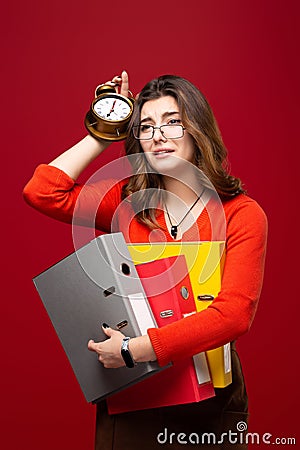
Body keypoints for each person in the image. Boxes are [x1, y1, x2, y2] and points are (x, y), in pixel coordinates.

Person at [23, 71, 268, 449]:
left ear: (197, 130)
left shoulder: (241, 213)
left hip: (209, 398)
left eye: (173, 123)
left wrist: (133, 350)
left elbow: (234, 314)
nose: (159, 135)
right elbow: (43, 192)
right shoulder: (126, 200)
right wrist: (105, 129)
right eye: (147, 126)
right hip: (135, 391)